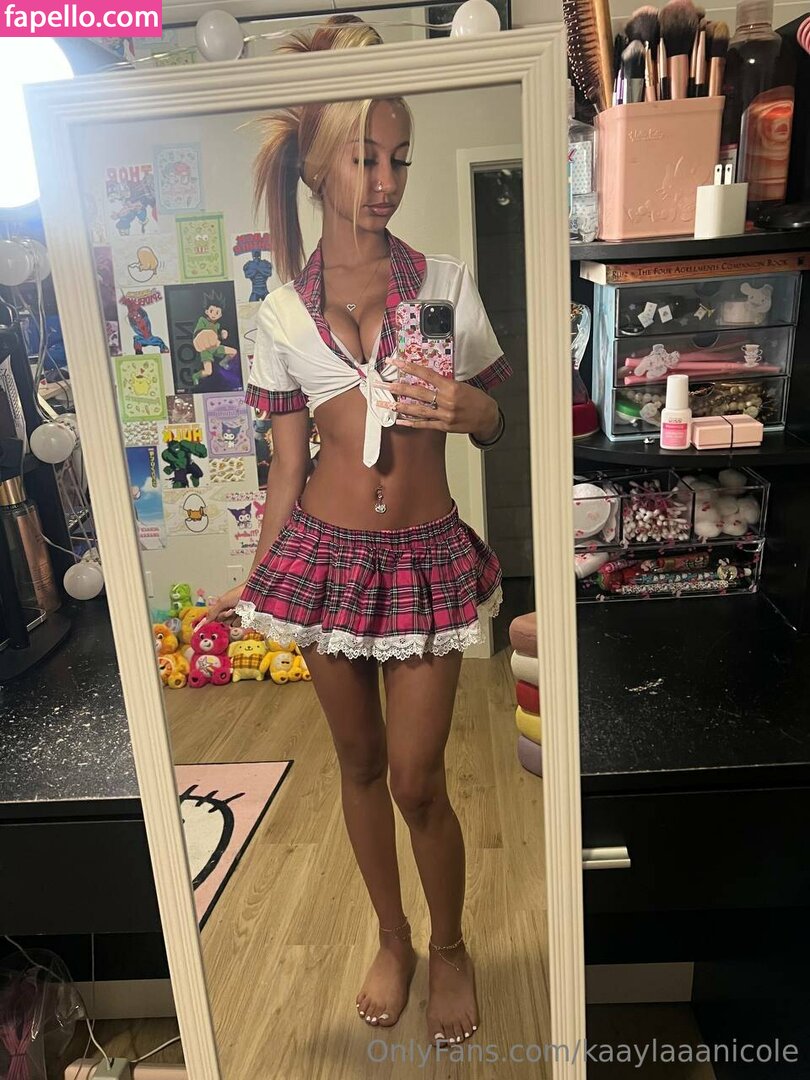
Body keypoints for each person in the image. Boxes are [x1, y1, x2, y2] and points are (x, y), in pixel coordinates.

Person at [206, 15, 512, 1048]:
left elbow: (501, 418)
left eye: (399, 159)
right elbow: (287, 467)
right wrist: (256, 583)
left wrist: (476, 411)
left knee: (420, 779)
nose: (385, 181)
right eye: (364, 157)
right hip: (324, 562)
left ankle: (451, 942)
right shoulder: (282, 315)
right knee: (361, 766)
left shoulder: (445, 284)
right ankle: (392, 936)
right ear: (318, 164)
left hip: (424, 558)